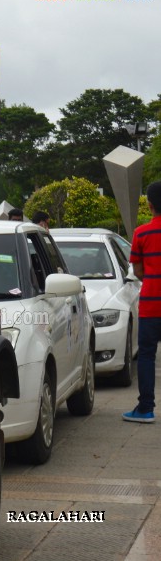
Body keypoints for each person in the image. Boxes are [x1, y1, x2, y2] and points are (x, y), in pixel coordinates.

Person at [125, 181, 161, 423]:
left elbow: (137, 270)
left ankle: (146, 409)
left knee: (147, 355)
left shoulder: (142, 233)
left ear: (149, 205)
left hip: (151, 305)